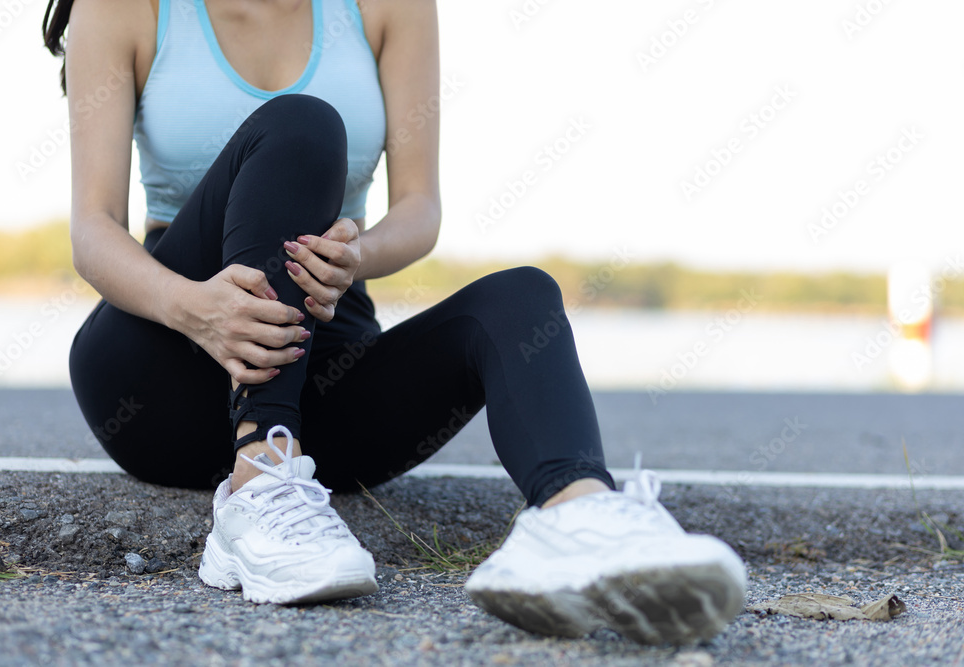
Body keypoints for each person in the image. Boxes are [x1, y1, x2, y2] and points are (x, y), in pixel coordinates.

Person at [44, 0, 747, 644]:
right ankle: (260, 475)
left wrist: (360, 253)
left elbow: (420, 206)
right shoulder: (124, 5)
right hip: (164, 361)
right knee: (303, 123)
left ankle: (578, 515)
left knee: (522, 295)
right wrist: (195, 308)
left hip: (326, 366)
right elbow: (92, 230)